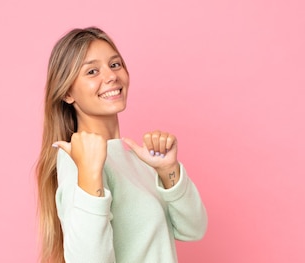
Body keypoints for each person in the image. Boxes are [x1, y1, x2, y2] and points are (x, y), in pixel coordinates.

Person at [36, 27, 207, 263]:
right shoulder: (79, 161)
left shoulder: (136, 157)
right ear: (67, 93)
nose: (111, 76)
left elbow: (193, 229)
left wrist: (168, 170)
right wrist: (88, 173)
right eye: (92, 71)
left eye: (115, 65)